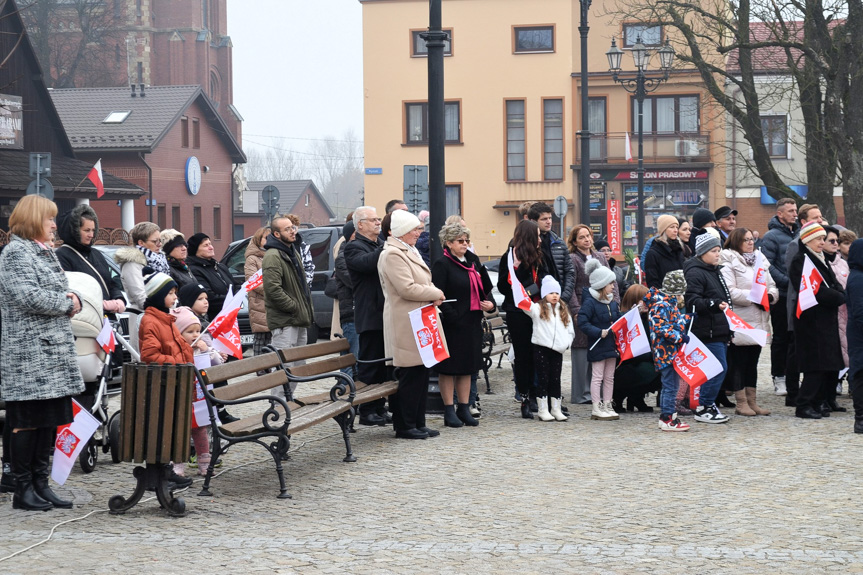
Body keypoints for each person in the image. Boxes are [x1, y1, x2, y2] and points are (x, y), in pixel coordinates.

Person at [0, 195, 85, 510]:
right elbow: (28, 296)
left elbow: (60, 287)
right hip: (29, 357)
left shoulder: (41, 251)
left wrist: (72, 296)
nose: (54, 224)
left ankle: (41, 484)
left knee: (47, 421)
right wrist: (68, 303)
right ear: (34, 219)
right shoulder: (15, 252)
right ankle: (22, 490)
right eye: (49, 218)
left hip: (50, 355)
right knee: (28, 421)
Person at [377, 209, 446, 439]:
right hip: (405, 320)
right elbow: (406, 288)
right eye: (414, 229)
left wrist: (430, 293)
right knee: (409, 374)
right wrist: (434, 292)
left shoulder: (408, 250)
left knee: (421, 373)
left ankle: (418, 421)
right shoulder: (393, 254)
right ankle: (405, 425)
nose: (419, 233)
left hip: (418, 318)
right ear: (402, 232)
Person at [431, 222, 495, 428]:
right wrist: (452, 317)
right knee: (450, 369)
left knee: (468, 367)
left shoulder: (473, 261)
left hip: (472, 321)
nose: (465, 244)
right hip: (452, 324)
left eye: (467, 240)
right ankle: (449, 409)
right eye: (460, 241)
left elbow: (486, 287)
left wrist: (490, 304)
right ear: (448, 243)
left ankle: (464, 408)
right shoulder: (442, 264)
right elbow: (438, 296)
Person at [137, 270, 194, 488]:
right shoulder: (151, 321)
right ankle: (158, 473)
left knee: (170, 429)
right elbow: (150, 356)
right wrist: (178, 362)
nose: (174, 297)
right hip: (162, 385)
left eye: (174, 293)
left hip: (174, 383)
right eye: (170, 293)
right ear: (158, 295)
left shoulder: (168, 319)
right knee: (161, 429)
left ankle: (166, 470)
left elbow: (179, 346)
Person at [788, 221, 846, 419]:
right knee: (815, 365)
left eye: (823, 239)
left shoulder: (820, 258)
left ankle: (818, 401)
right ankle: (804, 404)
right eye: (819, 239)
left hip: (825, 318)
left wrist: (838, 294)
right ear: (807, 240)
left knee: (826, 364)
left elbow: (834, 284)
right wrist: (837, 297)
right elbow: (815, 290)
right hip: (810, 320)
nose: (822, 242)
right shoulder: (801, 260)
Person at [719, 228, 778, 416]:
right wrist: (756, 297)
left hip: (759, 318)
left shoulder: (760, 260)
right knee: (739, 362)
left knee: (753, 362)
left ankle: (753, 402)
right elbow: (730, 291)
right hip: (740, 319)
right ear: (736, 241)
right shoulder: (728, 259)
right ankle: (741, 402)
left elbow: (772, 286)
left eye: (752, 239)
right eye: (746, 240)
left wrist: (769, 296)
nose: (750, 243)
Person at [345, 206, 391, 426]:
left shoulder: (380, 244)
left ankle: (380, 405)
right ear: (360, 224)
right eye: (373, 220)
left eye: (378, 219)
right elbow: (367, 264)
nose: (377, 223)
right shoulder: (353, 247)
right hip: (370, 314)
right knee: (371, 365)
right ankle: (367, 409)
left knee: (384, 365)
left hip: (385, 313)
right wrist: (388, 248)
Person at [498, 220, 548, 419]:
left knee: (539, 354)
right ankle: (525, 397)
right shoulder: (509, 258)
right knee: (523, 356)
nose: (539, 239)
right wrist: (516, 271)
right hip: (517, 312)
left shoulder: (539, 257)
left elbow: (546, 280)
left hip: (537, 310)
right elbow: (503, 288)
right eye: (536, 235)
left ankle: (538, 395)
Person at [567, 224, 619, 405]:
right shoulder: (572, 259)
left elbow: (612, 280)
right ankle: (582, 393)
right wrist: (575, 310)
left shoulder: (599, 257)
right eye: (581, 237)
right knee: (582, 348)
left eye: (588, 235)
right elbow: (571, 287)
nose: (587, 239)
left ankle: (598, 392)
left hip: (603, 306)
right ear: (574, 241)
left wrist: (615, 303)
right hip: (583, 305)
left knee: (601, 347)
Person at [683, 233, 732, 424]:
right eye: (713, 251)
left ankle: (708, 404)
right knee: (717, 368)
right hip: (706, 330)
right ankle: (704, 406)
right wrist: (713, 303)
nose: (718, 254)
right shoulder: (695, 272)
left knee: (718, 368)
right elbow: (692, 301)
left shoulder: (714, 270)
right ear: (702, 253)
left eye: (719, 250)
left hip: (719, 329)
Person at [784, 203, 825, 406]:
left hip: (817, 307)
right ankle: (793, 392)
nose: (819, 219)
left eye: (820, 217)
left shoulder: (820, 242)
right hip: (800, 303)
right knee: (795, 350)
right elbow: (795, 276)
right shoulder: (796, 245)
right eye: (815, 217)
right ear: (804, 222)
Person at [170, 306, 219, 476]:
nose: (196, 335)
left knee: (200, 431)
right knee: (180, 430)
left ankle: (204, 462)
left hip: (198, 398)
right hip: (181, 398)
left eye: (198, 330)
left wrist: (206, 350)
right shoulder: (175, 350)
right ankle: (178, 463)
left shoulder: (201, 348)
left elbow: (217, 363)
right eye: (190, 331)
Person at [262, 216, 314, 371]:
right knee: (284, 368)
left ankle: (289, 396)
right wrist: (295, 306)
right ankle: (280, 397)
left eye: (293, 228)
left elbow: (301, 285)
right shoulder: (273, 256)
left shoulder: (292, 251)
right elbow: (272, 289)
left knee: (297, 367)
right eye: (287, 229)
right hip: (285, 321)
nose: (293, 232)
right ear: (277, 234)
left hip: (297, 319)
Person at [55, 204, 127, 316]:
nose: (91, 235)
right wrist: (101, 304)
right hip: (86, 319)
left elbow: (110, 283)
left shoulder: (96, 253)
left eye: (93, 230)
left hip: (105, 317)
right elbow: (70, 289)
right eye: (87, 230)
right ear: (74, 230)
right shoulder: (61, 255)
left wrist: (119, 299)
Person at [759, 197, 799, 396]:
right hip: (783, 294)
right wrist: (787, 281)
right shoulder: (771, 237)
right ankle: (779, 376)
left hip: (799, 293)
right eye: (790, 211)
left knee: (795, 337)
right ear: (780, 214)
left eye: (795, 210)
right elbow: (768, 265)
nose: (794, 213)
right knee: (782, 337)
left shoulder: (800, 233)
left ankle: (793, 376)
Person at [643, 279, 693, 432]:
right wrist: (680, 337)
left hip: (669, 352)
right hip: (665, 352)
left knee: (671, 386)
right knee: (670, 387)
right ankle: (667, 418)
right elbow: (661, 328)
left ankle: (669, 416)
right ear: (676, 292)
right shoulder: (662, 305)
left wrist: (687, 318)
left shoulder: (667, 303)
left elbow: (672, 321)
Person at [577, 259, 622, 421]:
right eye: (610, 283)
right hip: (598, 344)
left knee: (610, 377)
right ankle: (596, 406)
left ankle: (607, 404)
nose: (613, 286)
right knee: (597, 377)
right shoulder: (590, 302)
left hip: (610, 344)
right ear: (602, 284)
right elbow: (582, 322)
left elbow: (617, 319)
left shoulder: (612, 303)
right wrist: (597, 332)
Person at [526, 276, 574, 421]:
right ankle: (543, 409)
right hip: (542, 348)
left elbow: (570, 329)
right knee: (543, 378)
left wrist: (567, 343)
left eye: (557, 293)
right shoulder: (537, 308)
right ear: (544, 294)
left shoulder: (563, 310)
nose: (554, 295)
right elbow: (523, 304)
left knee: (555, 379)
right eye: (551, 292)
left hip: (557, 350)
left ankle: (556, 408)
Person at [612, 284, 661, 413]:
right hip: (626, 362)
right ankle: (618, 397)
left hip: (645, 358)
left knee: (661, 371)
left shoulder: (650, 319)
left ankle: (636, 397)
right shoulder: (624, 318)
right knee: (645, 370)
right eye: (644, 300)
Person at [823, 225, 849, 411]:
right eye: (831, 241)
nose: (835, 245)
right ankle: (823, 397)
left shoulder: (842, 262)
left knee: (840, 358)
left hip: (844, 314)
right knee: (828, 358)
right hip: (830, 314)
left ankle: (831, 397)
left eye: (837, 241)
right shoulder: (822, 262)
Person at [528, 202, 575, 305]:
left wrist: (564, 296)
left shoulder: (559, 243)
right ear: (533, 221)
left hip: (558, 299)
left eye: (550, 218)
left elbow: (569, 271)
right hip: (535, 300)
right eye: (544, 219)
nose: (549, 222)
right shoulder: (526, 245)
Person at [114, 221, 164, 309]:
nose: (159, 244)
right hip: (142, 315)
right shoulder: (132, 263)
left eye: (160, 240)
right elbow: (140, 297)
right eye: (155, 241)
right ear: (141, 243)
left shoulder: (159, 261)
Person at [186, 232, 235, 317]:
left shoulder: (219, 266)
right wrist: (232, 300)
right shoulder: (194, 270)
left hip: (230, 314)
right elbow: (209, 296)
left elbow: (236, 285)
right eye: (206, 245)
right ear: (196, 250)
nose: (211, 247)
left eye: (210, 244)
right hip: (215, 317)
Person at [332, 221, 359, 378]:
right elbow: (354, 282)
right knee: (351, 358)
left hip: (360, 314)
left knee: (358, 357)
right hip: (351, 315)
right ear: (353, 235)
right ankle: (345, 389)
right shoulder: (342, 258)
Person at [845, 239, 863, 432]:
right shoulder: (857, 278)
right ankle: (860, 418)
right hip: (859, 336)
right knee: (860, 375)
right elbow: (860, 312)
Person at [245, 226, 272, 357]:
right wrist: (273, 291)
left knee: (271, 338)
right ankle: (260, 369)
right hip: (259, 303)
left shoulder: (273, 255)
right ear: (258, 240)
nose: (269, 240)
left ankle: (271, 367)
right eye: (266, 238)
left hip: (272, 303)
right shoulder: (252, 258)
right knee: (261, 337)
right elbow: (252, 281)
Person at [643, 214, 686, 289]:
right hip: (663, 298)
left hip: (681, 297)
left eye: (677, 227)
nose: (675, 230)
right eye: (672, 227)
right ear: (663, 230)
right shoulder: (653, 253)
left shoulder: (679, 250)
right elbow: (652, 282)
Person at [286, 214, 315, 290]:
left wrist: (304, 285)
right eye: (289, 228)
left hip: (302, 287)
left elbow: (309, 267)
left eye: (294, 227)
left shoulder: (303, 247)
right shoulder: (282, 245)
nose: (292, 231)